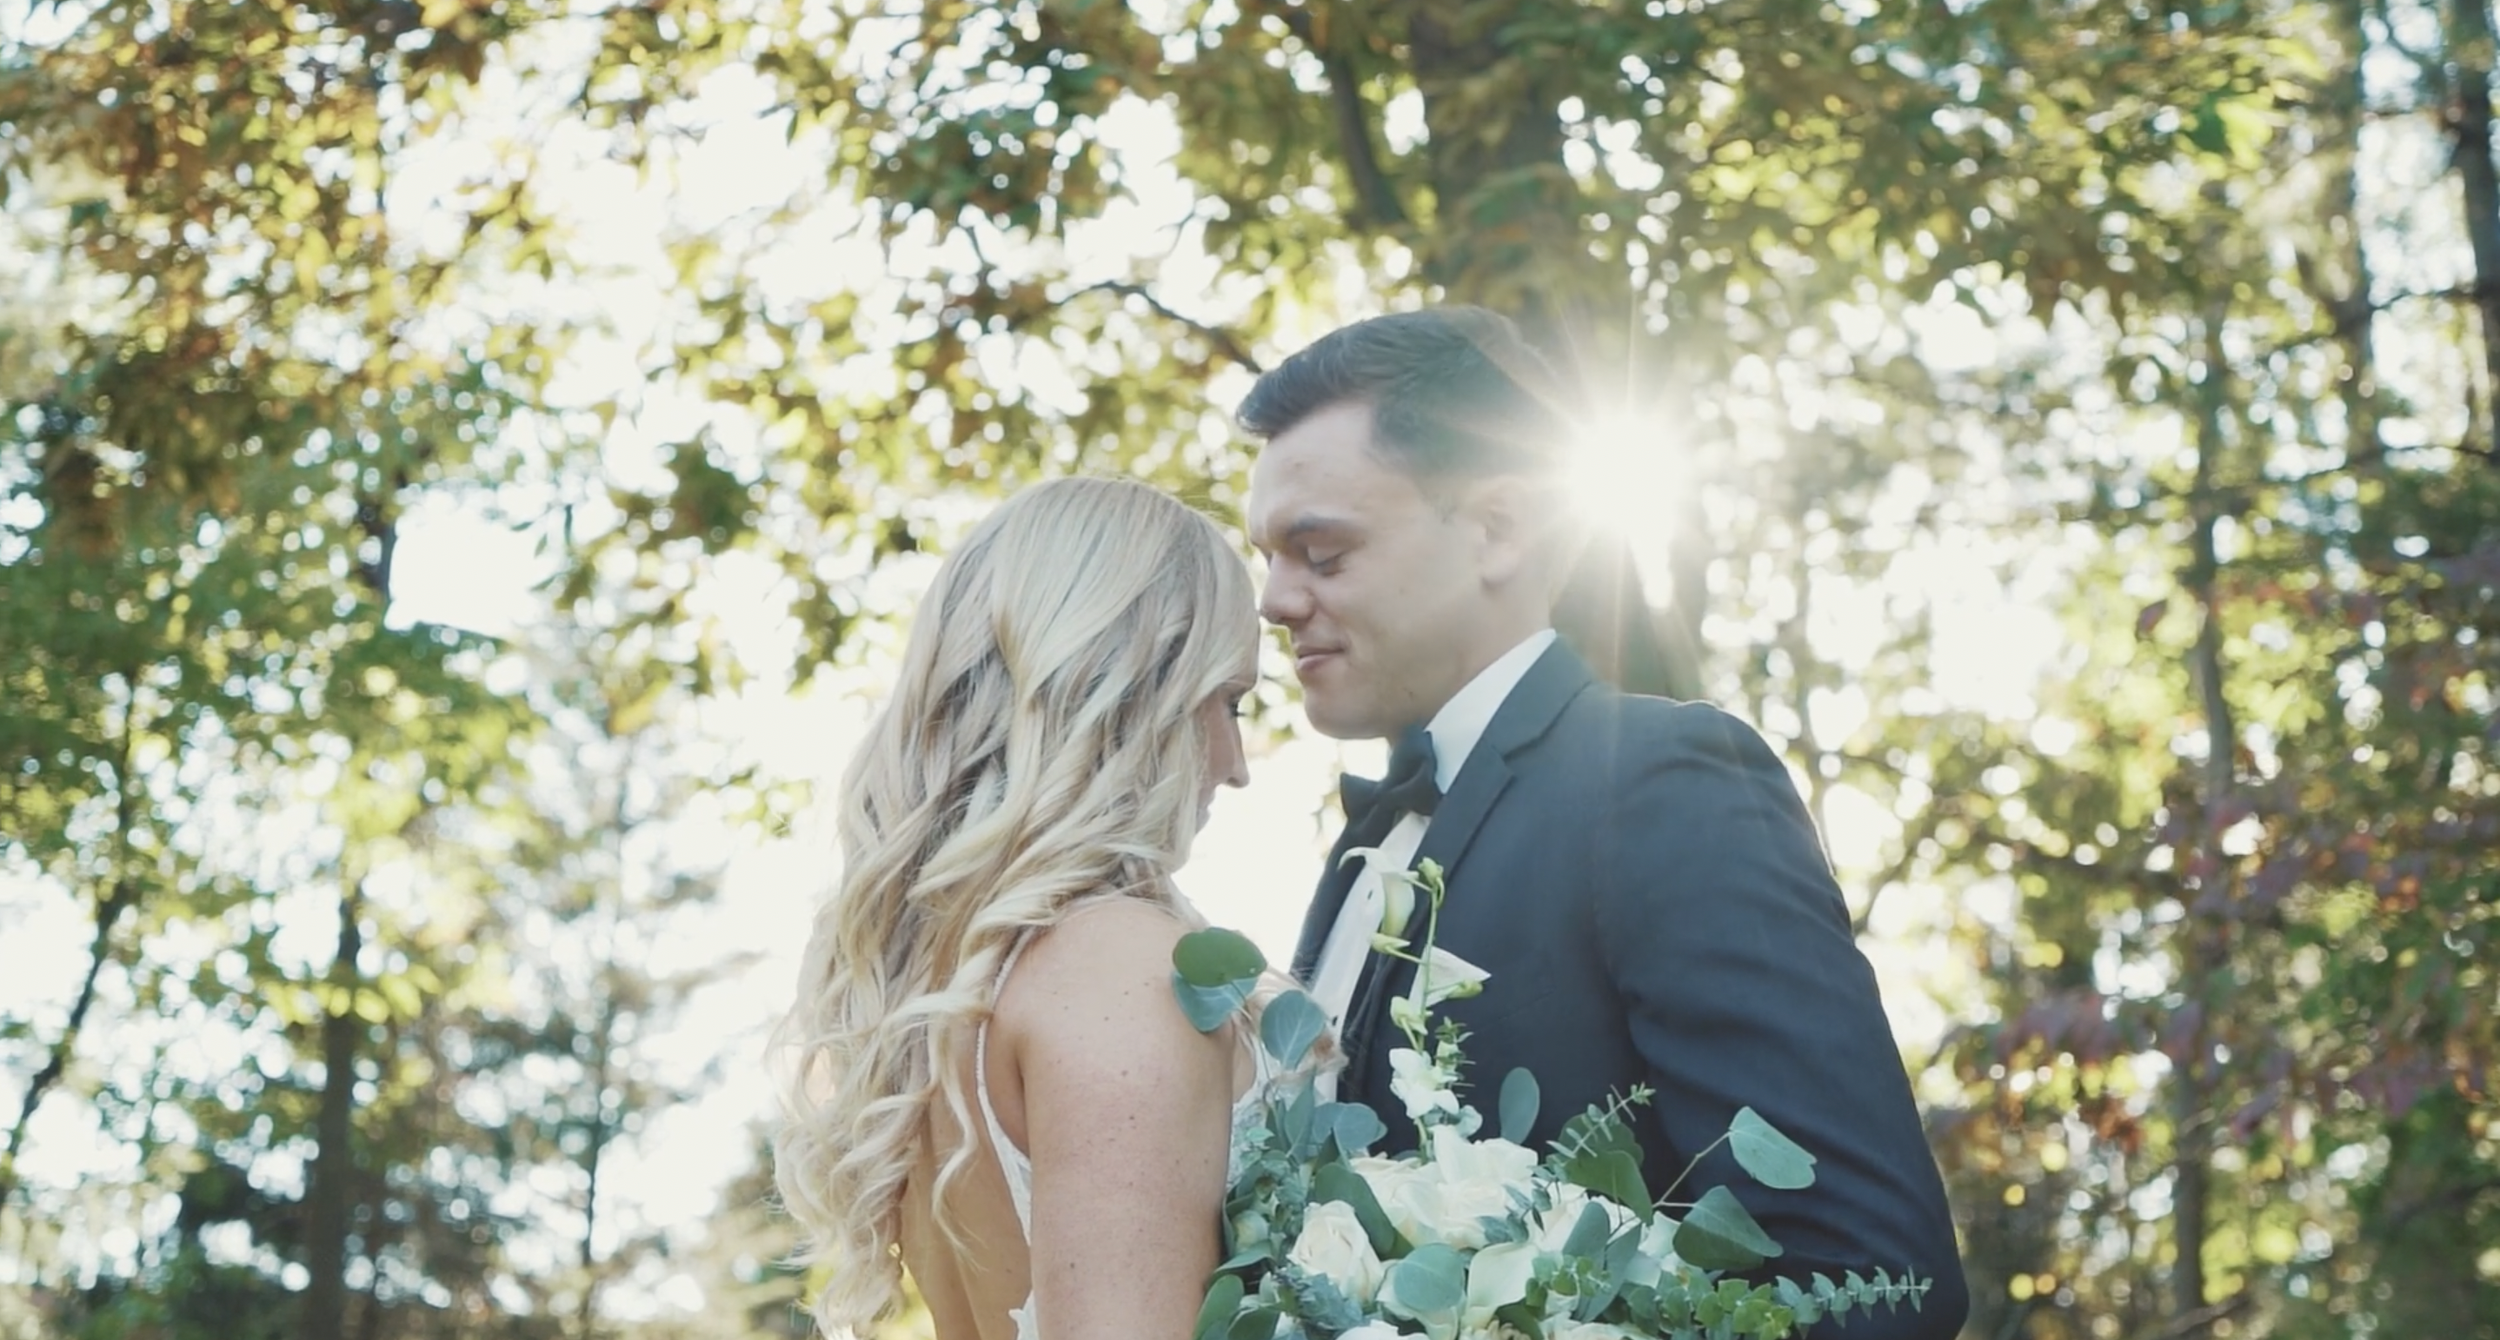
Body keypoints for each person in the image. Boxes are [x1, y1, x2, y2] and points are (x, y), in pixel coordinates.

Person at [1241, 307, 1972, 1339]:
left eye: (1320, 551)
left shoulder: (1661, 782)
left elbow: (1870, 1273)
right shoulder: (1355, 852)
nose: (1272, 599)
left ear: (1496, 529)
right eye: (1266, 554)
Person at [771, 476, 1269, 1340]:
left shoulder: (945, 986)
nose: (1236, 762)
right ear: (1129, 692)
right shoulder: (1132, 971)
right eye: (1229, 702)